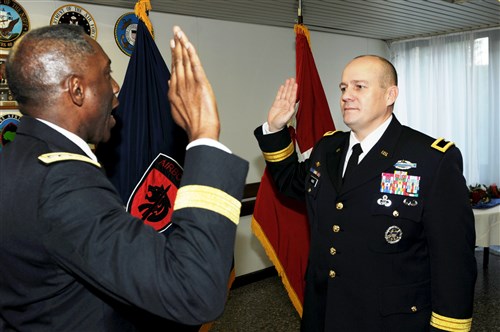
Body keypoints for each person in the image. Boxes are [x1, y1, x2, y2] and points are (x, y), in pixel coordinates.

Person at [0, 24, 248, 331]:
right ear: (76, 90)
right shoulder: (63, 182)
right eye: (106, 73)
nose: (116, 87)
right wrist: (204, 135)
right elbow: (195, 292)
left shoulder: (16, 159)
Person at [255, 55, 477, 332]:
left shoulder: (431, 159)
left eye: (359, 87)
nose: (347, 95)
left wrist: (448, 327)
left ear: (390, 94)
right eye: (343, 87)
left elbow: (453, 260)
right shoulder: (328, 148)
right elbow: (290, 184)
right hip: (323, 312)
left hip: (387, 320)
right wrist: (275, 129)